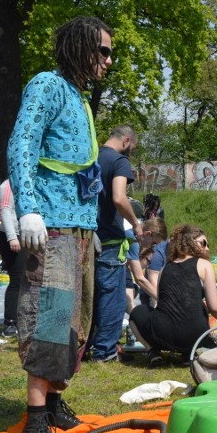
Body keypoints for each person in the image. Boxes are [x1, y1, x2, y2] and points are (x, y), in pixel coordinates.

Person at [6, 16, 113, 433]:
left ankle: (52, 403)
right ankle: (34, 422)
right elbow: (22, 144)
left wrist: (93, 226)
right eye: (103, 50)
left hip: (80, 227)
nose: (109, 59)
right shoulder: (46, 85)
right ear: (81, 47)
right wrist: (27, 207)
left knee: (76, 320)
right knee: (49, 318)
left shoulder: (78, 96)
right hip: (51, 224)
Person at [129, 224, 217, 367]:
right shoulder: (204, 265)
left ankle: (153, 352)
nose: (207, 248)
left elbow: (163, 303)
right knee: (200, 308)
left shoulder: (165, 268)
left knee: (137, 312)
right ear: (190, 243)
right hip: (195, 335)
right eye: (204, 243)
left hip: (163, 335)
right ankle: (188, 353)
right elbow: (214, 306)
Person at [88, 125, 142, 363]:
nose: (131, 152)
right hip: (109, 238)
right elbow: (119, 198)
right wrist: (135, 222)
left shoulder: (89, 157)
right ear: (126, 140)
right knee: (112, 296)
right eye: (132, 148)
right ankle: (105, 351)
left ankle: (85, 344)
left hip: (87, 237)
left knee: (90, 295)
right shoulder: (119, 161)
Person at [0, 179, 24, 338]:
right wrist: (12, 237)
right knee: (17, 280)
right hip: (10, 235)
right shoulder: (7, 185)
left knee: (28, 279)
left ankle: (23, 319)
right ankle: (10, 323)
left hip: (25, 234)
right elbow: (5, 210)